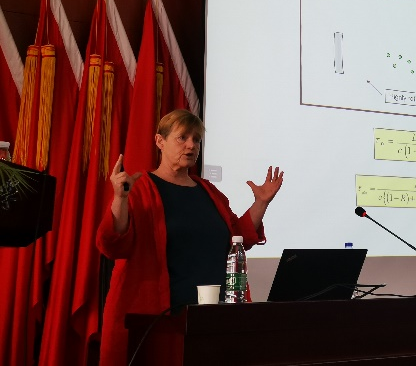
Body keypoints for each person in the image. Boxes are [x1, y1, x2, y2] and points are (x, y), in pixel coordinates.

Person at [96, 109, 284, 366]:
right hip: (161, 322)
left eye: (196, 139)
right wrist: (120, 198)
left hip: (213, 320)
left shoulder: (209, 191)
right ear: (160, 141)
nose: (191, 145)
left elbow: (238, 239)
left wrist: (261, 203)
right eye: (182, 137)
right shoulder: (140, 189)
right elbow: (113, 244)